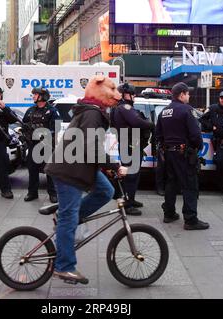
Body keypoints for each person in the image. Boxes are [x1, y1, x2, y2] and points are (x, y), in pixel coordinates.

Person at [45, 75, 128, 284]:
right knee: (68, 218)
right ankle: (64, 266)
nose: (116, 94)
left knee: (106, 191)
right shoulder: (92, 113)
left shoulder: (94, 112)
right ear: (98, 88)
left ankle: (70, 219)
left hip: (80, 167)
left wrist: (106, 166)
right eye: (112, 88)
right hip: (69, 172)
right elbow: (91, 148)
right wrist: (114, 165)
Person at [156, 82, 209, 230]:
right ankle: (191, 220)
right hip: (184, 154)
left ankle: (169, 213)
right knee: (190, 185)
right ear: (182, 94)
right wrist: (197, 148)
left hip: (169, 153)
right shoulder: (187, 110)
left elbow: (158, 134)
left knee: (171, 183)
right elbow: (195, 134)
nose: (189, 96)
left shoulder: (164, 111)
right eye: (188, 94)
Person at [110, 83, 154, 216]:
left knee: (133, 173)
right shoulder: (125, 106)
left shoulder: (119, 107)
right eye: (132, 93)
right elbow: (136, 122)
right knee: (130, 174)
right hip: (130, 145)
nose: (134, 96)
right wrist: (151, 124)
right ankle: (128, 204)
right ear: (124, 94)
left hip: (128, 143)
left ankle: (131, 199)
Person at [23, 87, 60, 203]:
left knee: (49, 170)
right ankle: (32, 193)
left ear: (42, 96)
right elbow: (24, 124)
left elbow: (57, 127)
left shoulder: (52, 111)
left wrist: (45, 134)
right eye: (33, 94)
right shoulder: (30, 110)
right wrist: (25, 132)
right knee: (32, 169)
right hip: (33, 145)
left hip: (47, 144)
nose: (33, 96)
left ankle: (53, 194)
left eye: (35, 94)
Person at [199, 90, 223, 194]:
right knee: (220, 163)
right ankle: (222, 186)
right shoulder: (213, 108)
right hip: (219, 141)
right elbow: (202, 119)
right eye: (222, 98)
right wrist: (212, 127)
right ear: (219, 99)